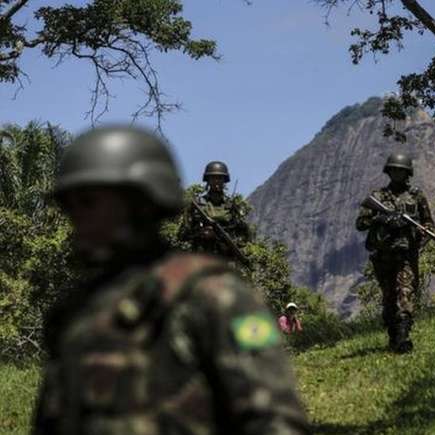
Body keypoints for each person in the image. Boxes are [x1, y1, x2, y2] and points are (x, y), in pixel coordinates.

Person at [33, 125, 309, 434]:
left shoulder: (217, 297)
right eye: (69, 204)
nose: (76, 217)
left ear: (138, 203)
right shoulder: (74, 311)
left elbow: (274, 421)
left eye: (88, 202)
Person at [355, 153, 435, 353]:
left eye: (401, 170)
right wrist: (382, 220)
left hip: (406, 255)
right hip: (383, 255)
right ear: (388, 171)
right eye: (394, 169)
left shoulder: (417, 196)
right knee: (389, 298)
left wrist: (419, 236)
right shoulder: (378, 197)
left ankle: (403, 338)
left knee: (405, 293)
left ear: (407, 173)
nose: (397, 173)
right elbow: (361, 224)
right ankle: (394, 336)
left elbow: (428, 224)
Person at [178, 161, 252, 265]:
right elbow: (182, 235)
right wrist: (200, 233)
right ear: (207, 180)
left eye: (220, 178)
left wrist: (230, 242)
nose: (216, 181)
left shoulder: (232, 207)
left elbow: (245, 235)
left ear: (224, 181)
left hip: (226, 261)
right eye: (213, 178)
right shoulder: (197, 205)